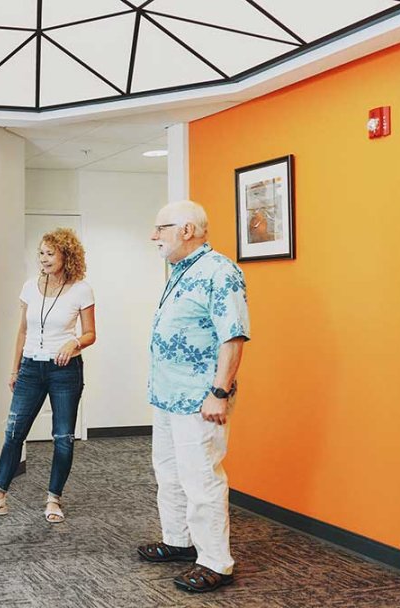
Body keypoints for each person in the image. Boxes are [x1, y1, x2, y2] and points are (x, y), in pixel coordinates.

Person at [136, 200, 250, 593]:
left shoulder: (220, 271)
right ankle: (179, 540)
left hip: (201, 399)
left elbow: (233, 336)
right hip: (167, 395)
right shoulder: (181, 272)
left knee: (201, 478)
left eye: (160, 228)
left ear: (187, 230)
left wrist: (219, 392)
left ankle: (216, 561)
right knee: (168, 473)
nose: (154, 236)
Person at [0, 228, 96, 523]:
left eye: (51, 253)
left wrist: (73, 342)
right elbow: (23, 330)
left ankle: (53, 499)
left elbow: (90, 334)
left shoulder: (81, 289)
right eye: (41, 253)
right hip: (30, 368)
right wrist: (15, 368)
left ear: (67, 255)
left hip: (65, 370)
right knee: (13, 433)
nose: (44, 259)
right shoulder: (29, 286)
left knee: (63, 437)